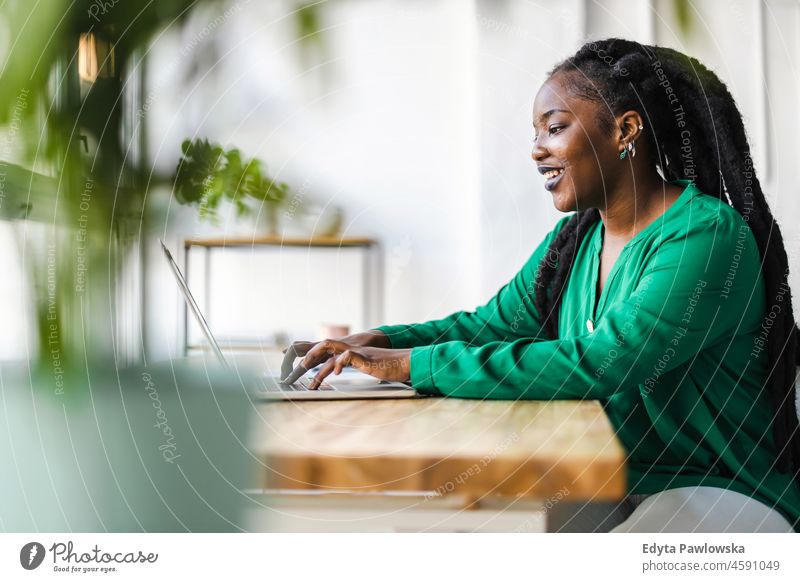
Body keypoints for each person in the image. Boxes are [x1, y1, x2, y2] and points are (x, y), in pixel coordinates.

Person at [280, 38, 800, 533]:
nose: (536, 151)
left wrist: (412, 366)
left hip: (728, 498)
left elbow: (604, 358)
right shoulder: (576, 241)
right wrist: (383, 341)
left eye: (554, 128)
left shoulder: (705, 237)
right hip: (615, 487)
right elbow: (492, 324)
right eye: (535, 134)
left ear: (625, 131)